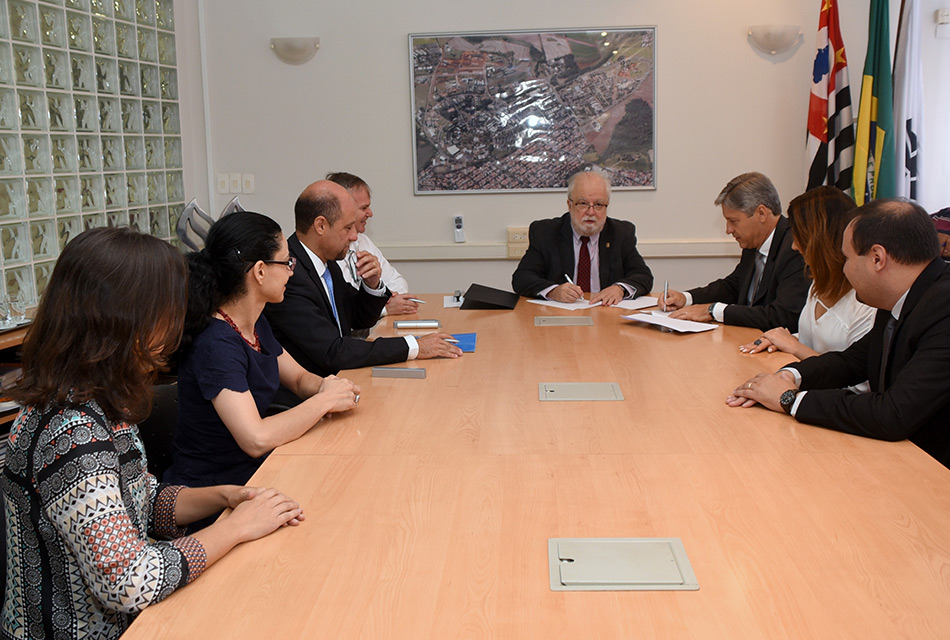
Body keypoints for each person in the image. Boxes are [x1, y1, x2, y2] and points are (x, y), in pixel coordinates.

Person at [2, 228, 305, 639]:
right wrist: (233, 528)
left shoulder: (99, 400)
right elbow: (129, 583)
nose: (177, 324)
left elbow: (142, 500)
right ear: (126, 318)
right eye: (167, 310)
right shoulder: (71, 433)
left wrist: (226, 496)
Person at [728, 199, 950, 469]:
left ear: (877, 259)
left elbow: (893, 414)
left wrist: (789, 399)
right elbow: (854, 360)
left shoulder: (943, 308)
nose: (843, 268)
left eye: (846, 257)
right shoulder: (905, 294)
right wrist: (791, 375)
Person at [165, 212, 360, 491]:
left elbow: (298, 379)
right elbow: (254, 438)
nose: (292, 271)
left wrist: (329, 387)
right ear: (259, 271)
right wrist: (323, 402)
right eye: (286, 262)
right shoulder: (216, 344)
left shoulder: (255, 323)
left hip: (259, 472)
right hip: (218, 491)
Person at [264, 180, 462, 378]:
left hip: (341, 378)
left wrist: (372, 284)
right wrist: (414, 346)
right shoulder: (288, 274)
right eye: (348, 227)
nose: (354, 237)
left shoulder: (326, 262)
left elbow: (359, 318)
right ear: (321, 225)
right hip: (311, 390)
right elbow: (334, 351)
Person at [738, 187, 875, 370]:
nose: (794, 246)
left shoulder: (866, 304)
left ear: (819, 240)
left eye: (800, 238)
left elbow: (858, 383)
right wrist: (780, 339)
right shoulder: (818, 284)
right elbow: (813, 341)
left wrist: (794, 346)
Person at [664, 172, 810, 331]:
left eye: (733, 221)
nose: (728, 230)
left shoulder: (795, 247)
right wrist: (686, 298)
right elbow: (733, 286)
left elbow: (782, 316)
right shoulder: (753, 241)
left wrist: (714, 311)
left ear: (761, 213)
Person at [511, 170, 653, 306]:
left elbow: (643, 276)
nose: (591, 212)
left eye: (598, 205)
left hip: (605, 314)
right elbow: (522, 278)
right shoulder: (545, 232)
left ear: (606, 207)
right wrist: (553, 291)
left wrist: (619, 288)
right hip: (559, 317)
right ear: (570, 205)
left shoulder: (621, 233)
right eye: (583, 203)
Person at [326, 171, 419, 316]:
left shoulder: (364, 241)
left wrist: (382, 300)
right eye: (363, 208)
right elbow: (339, 311)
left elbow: (397, 282)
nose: (370, 213)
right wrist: (382, 309)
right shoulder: (328, 250)